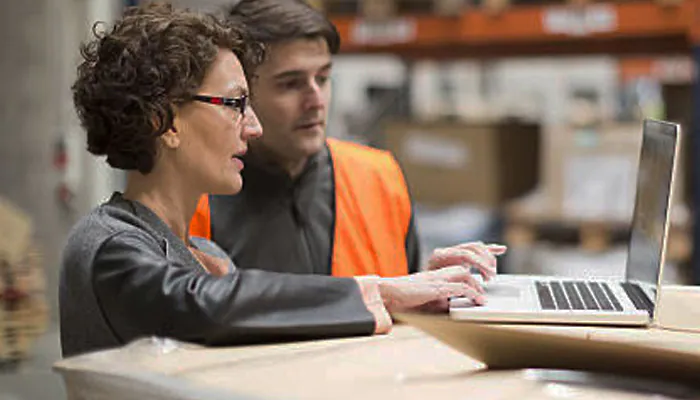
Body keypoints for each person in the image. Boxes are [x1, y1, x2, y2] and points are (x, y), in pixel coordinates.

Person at [60, 3, 494, 358]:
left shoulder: (206, 255)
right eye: (234, 103)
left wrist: (417, 292)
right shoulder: (107, 244)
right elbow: (199, 305)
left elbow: (271, 328)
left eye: (324, 79)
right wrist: (379, 290)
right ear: (165, 121)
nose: (253, 127)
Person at [189, 0, 507, 278]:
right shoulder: (197, 199)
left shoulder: (377, 178)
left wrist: (428, 286)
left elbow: (397, 310)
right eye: (290, 84)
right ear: (241, 94)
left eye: (323, 78)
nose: (316, 100)